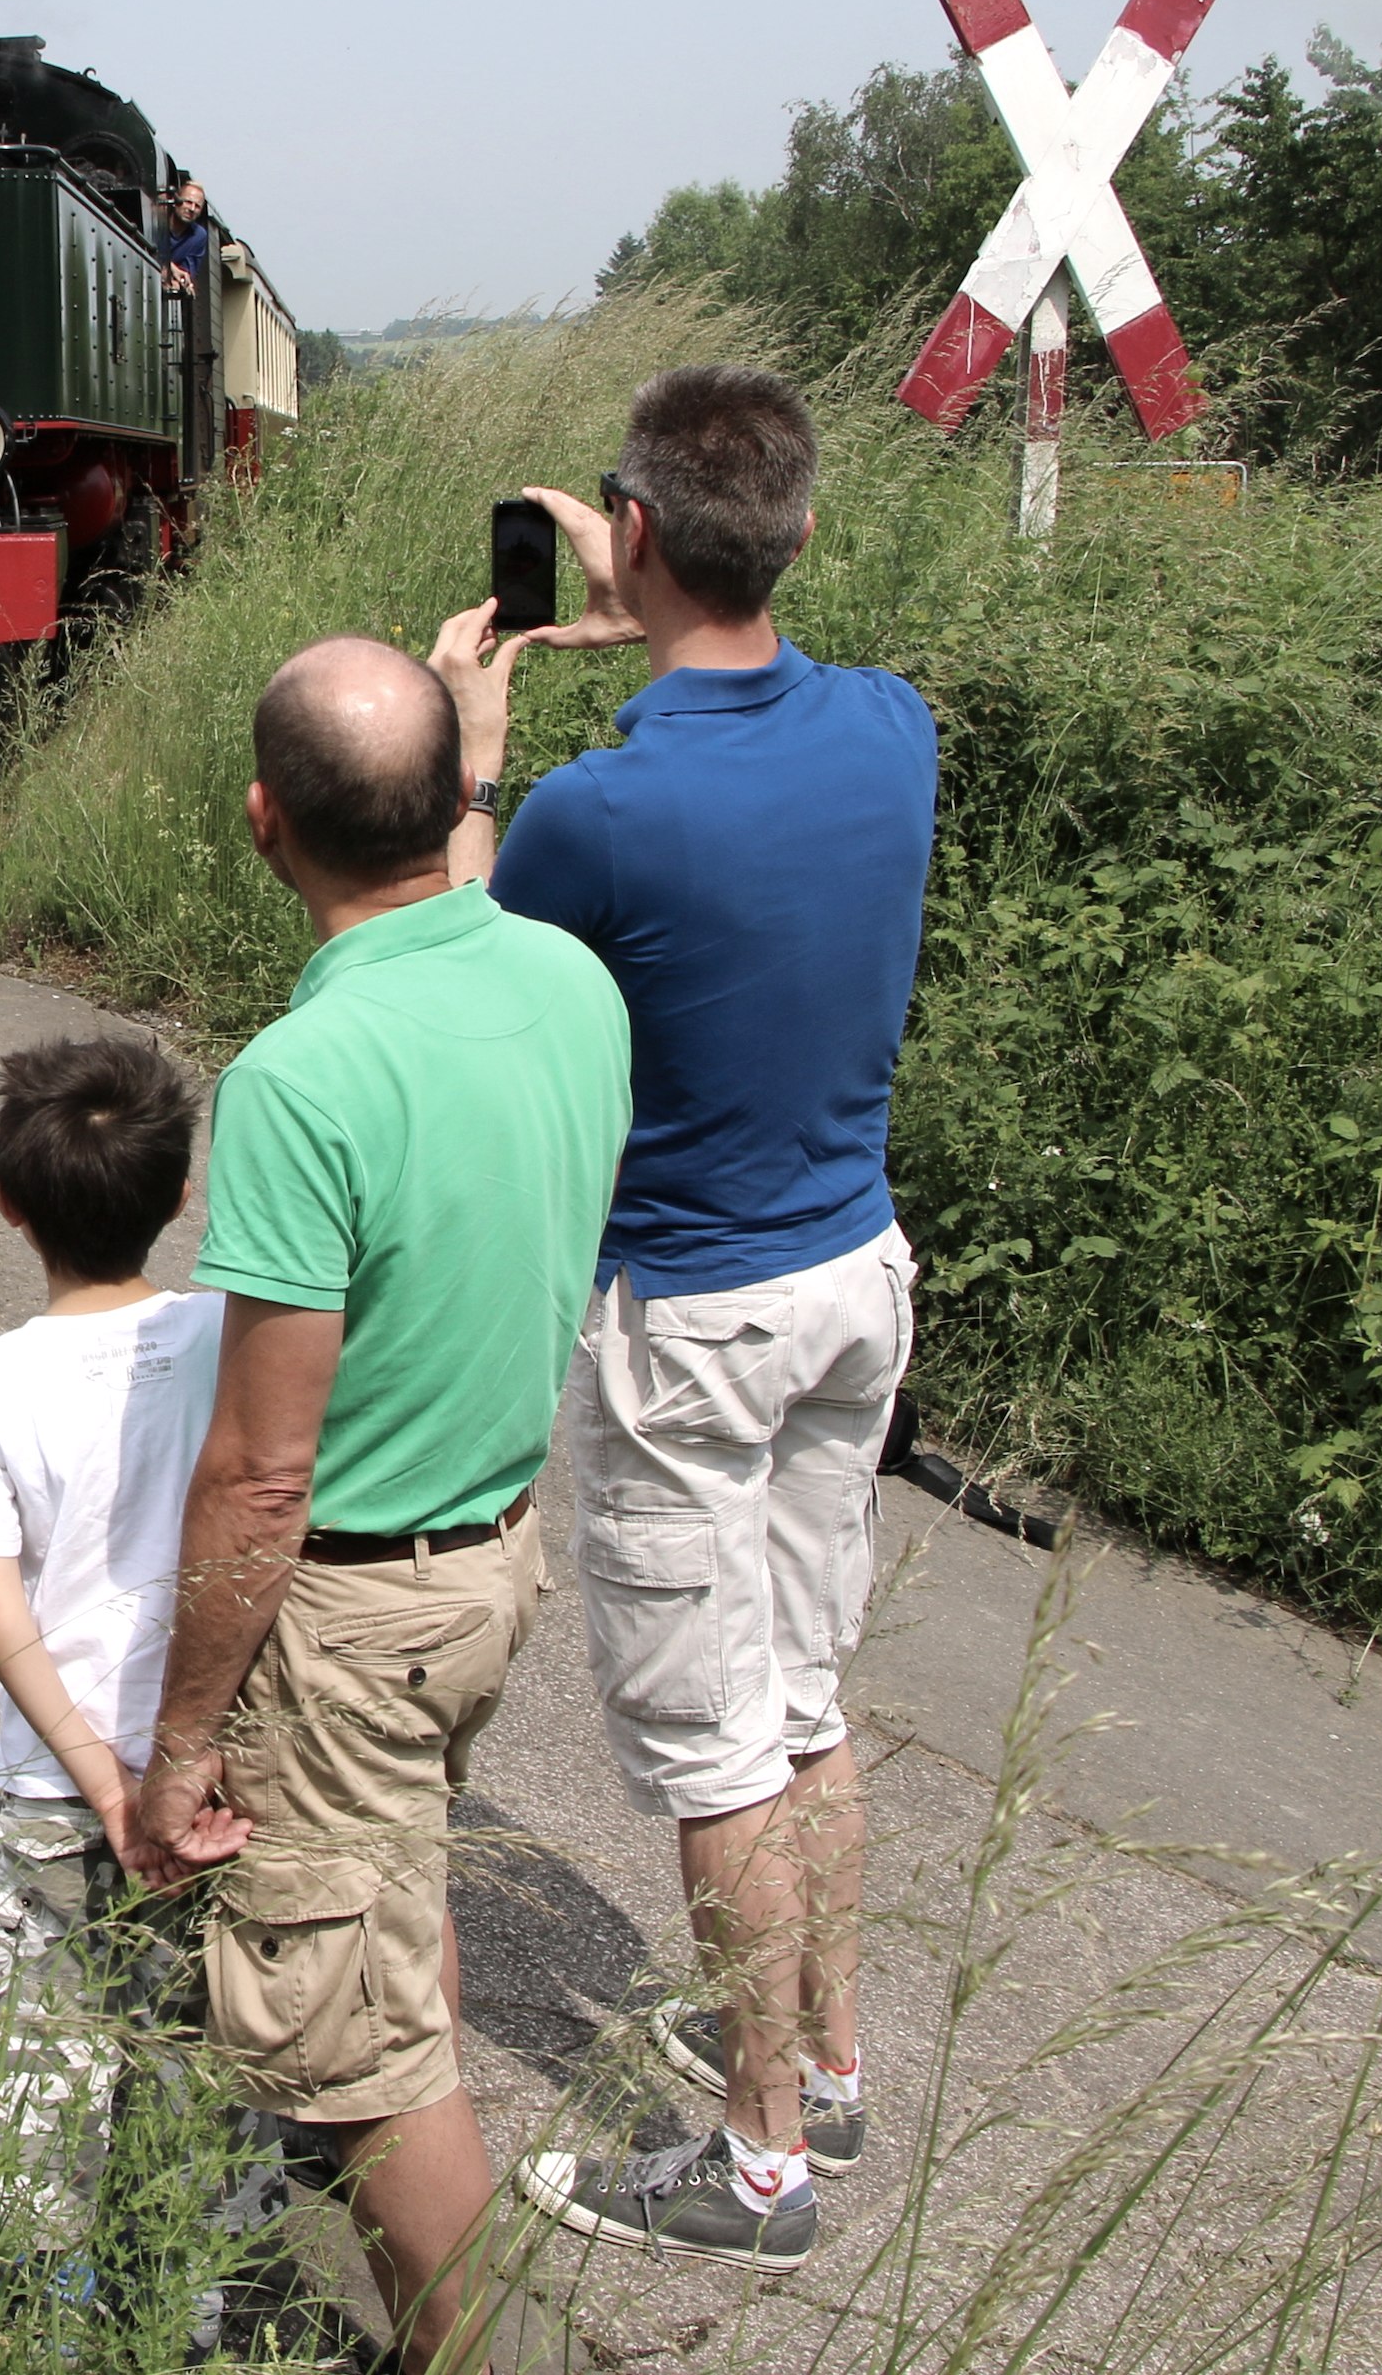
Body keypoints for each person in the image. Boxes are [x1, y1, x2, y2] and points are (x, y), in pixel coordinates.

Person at [437, 364, 937, 2275]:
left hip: (697, 1320)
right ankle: (832, 2066)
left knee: (719, 1749)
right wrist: (655, 587)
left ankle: (756, 2166)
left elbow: (468, 984)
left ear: (630, 534)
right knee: (804, 1698)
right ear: (797, 532)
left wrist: (479, 758)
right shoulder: (895, 731)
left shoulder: (600, 813)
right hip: (854, 1280)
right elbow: (768, 676)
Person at [121, 634, 628, 2372]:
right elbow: (457, 894)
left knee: (365, 2056)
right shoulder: (566, 979)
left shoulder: (301, 1080)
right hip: (490, 1564)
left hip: (346, 1616)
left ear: (264, 822)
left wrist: (183, 1739)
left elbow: (263, 1470)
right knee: (392, 1913)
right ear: (441, 803)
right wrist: (477, 745)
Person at [0, 1033, 220, 2289]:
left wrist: (99, 1783)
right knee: (202, 2057)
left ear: (8, 1204)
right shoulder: (231, 1337)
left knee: (47, 2064)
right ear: (181, 1195)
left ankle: (44, 2310)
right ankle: (190, 2307)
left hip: (59, 1781)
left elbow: (4, 1618)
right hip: (219, 1776)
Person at [159, 177, 214, 295]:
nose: (192, 209)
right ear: (175, 201)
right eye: (188, 202)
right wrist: (171, 267)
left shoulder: (198, 236)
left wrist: (179, 283)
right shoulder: (157, 221)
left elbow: (186, 272)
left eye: (197, 206)